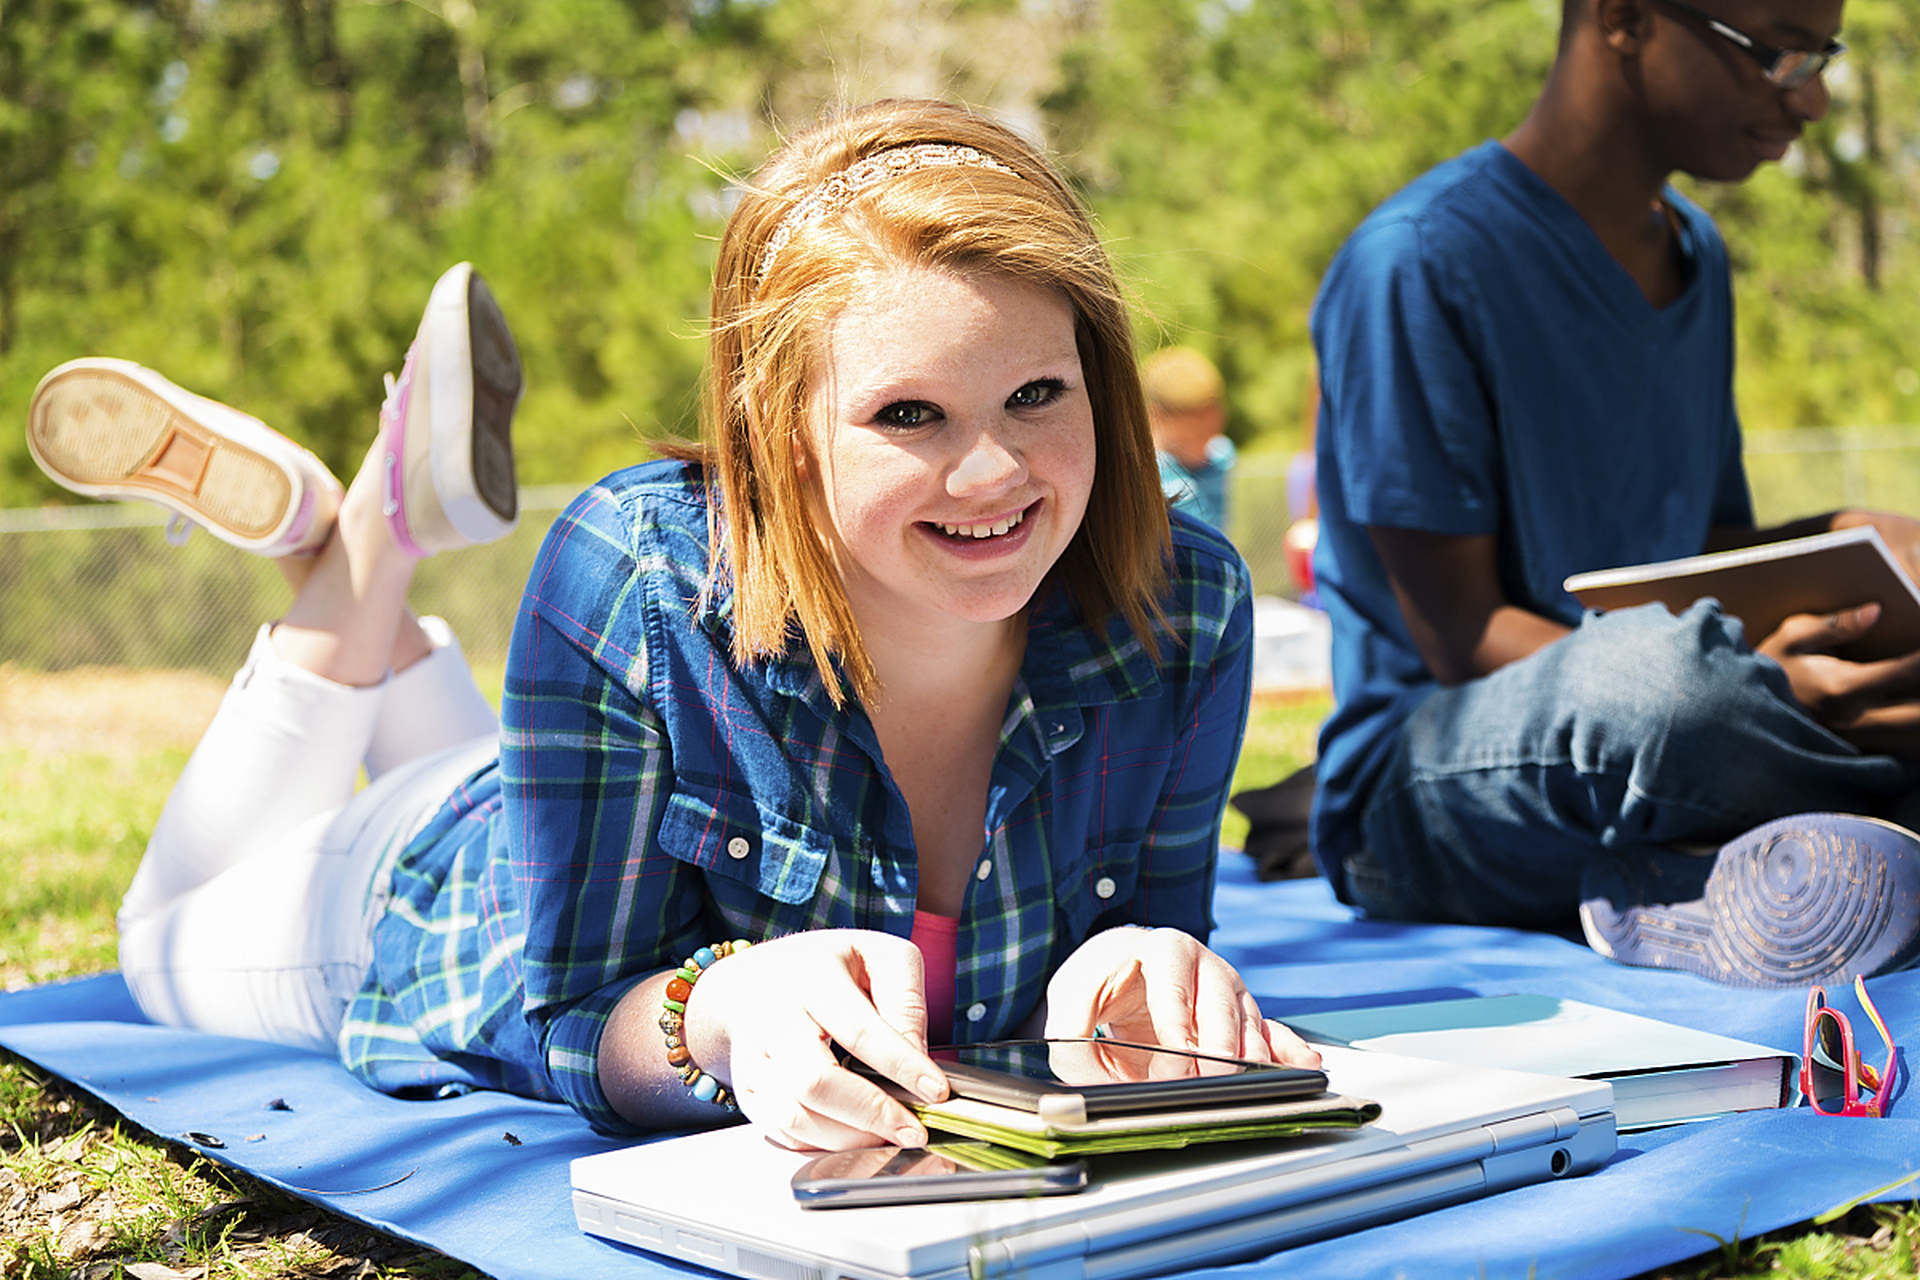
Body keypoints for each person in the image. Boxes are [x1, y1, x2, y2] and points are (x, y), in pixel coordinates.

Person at [28, 99, 1320, 1148]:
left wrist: (1139, 967)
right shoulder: (633, 571)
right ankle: (364, 543)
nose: (995, 474)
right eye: (909, 415)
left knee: (468, 754)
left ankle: (349, 543)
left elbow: (1148, 926)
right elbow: (571, 1010)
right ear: (781, 432)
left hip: (555, 777)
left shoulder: (1183, 599)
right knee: (153, 947)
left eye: (1039, 392)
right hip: (403, 897)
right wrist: (720, 1009)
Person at [1308, 0, 1920, 988]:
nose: (1808, 97)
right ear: (1626, 18)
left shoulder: (1697, 255)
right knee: (1668, 690)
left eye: (1822, 56)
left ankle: (1691, 887)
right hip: (1429, 787)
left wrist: (1852, 539)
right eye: (1776, 53)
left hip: (1682, 735)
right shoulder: (1418, 260)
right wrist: (1762, 692)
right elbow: (1458, 634)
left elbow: (1699, 545)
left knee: (1743, 686)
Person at [1141, 346, 1237, 534]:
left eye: (1209, 434)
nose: (1200, 451)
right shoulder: (1147, 472)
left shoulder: (1221, 456)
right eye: (1189, 437)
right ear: (1156, 417)